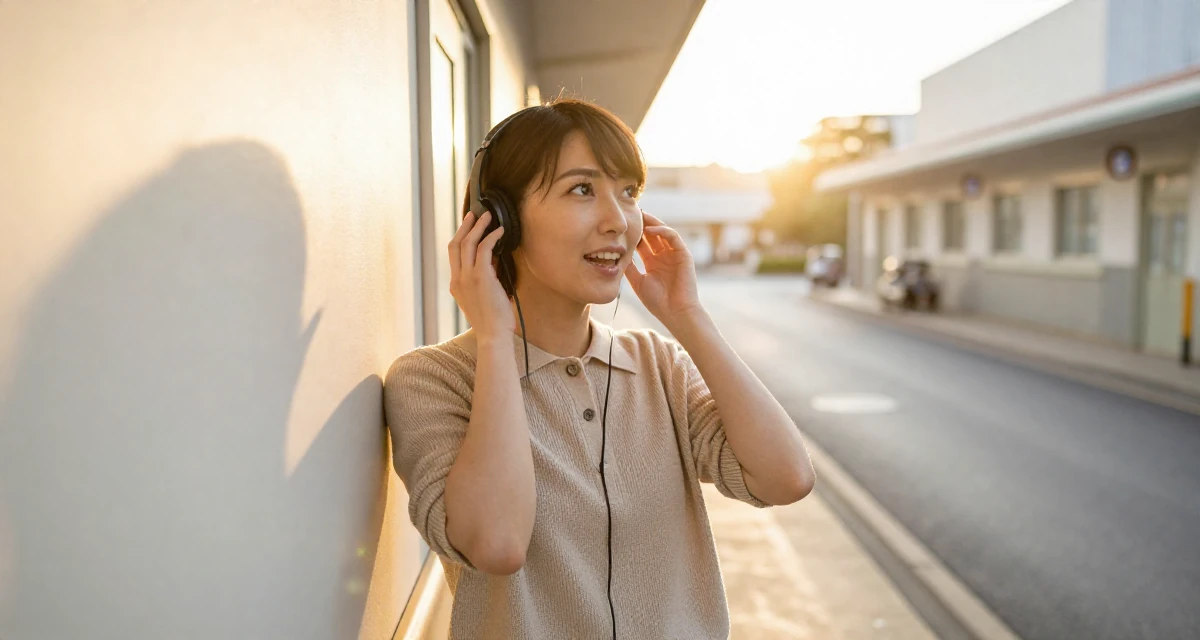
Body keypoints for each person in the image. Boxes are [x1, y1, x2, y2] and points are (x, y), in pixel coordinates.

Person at [383, 97, 815, 639]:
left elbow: (787, 478)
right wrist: (494, 338)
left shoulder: (659, 365)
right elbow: (496, 544)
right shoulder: (432, 381)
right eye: (582, 190)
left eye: (628, 192)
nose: (619, 221)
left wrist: (688, 316)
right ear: (502, 221)